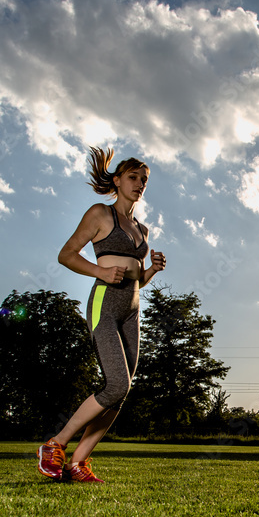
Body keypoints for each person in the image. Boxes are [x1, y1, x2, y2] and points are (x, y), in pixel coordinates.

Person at [36, 147, 166, 482]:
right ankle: (55, 444)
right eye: (134, 178)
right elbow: (66, 255)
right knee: (116, 384)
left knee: (121, 392)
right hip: (105, 304)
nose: (140, 184)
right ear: (118, 180)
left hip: (131, 310)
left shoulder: (142, 229)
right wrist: (99, 271)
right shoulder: (100, 214)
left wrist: (151, 270)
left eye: (144, 180)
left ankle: (77, 462)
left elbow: (136, 280)